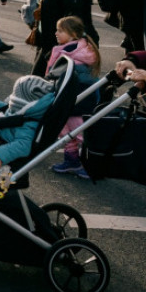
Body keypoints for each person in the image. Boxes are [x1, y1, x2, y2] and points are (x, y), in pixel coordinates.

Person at [45, 16, 100, 178]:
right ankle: (72, 161)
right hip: (75, 100)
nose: (56, 33)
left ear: (73, 34)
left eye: (60, 31)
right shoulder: (76, 49)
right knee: (68, 132)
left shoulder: (70, 54)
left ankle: (90, 165)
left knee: (78, 133)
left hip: (76, 102)